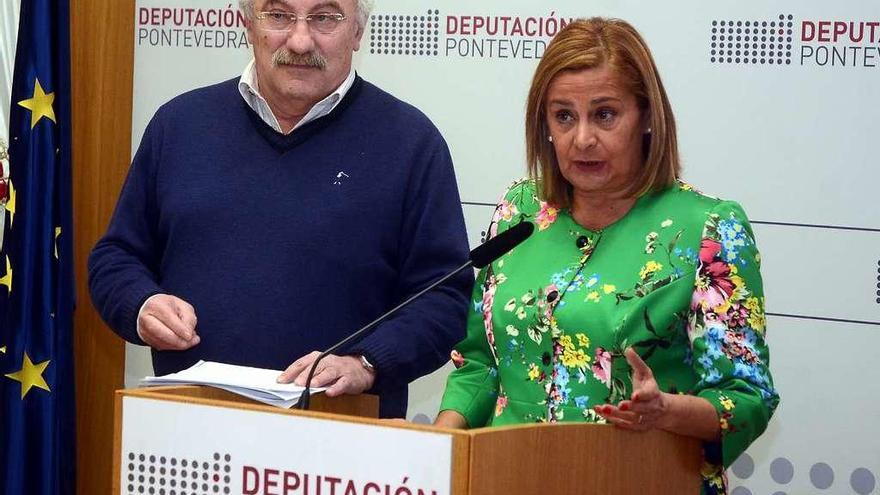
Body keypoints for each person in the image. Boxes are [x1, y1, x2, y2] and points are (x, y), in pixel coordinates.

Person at [435, 18, 778, 494]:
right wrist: (437, 447)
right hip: (507, 476)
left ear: (647, 116)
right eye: (563, 116)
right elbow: (480, 363)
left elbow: (747, 398)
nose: (582, 140)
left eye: (605, 115)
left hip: (638, 478)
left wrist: (666, 411)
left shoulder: (708, 228)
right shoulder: (521, 210)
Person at [88, 0, 472, 418]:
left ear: (358, 32)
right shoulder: (179, 125)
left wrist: (367, 362)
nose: (301, 40)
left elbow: (444, 298)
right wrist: (142, 304)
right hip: (190, 432)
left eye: (325, 17)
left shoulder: (411, 143)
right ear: (248, 25)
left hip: (340, 443)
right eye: (278, 15)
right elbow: (116, 258)